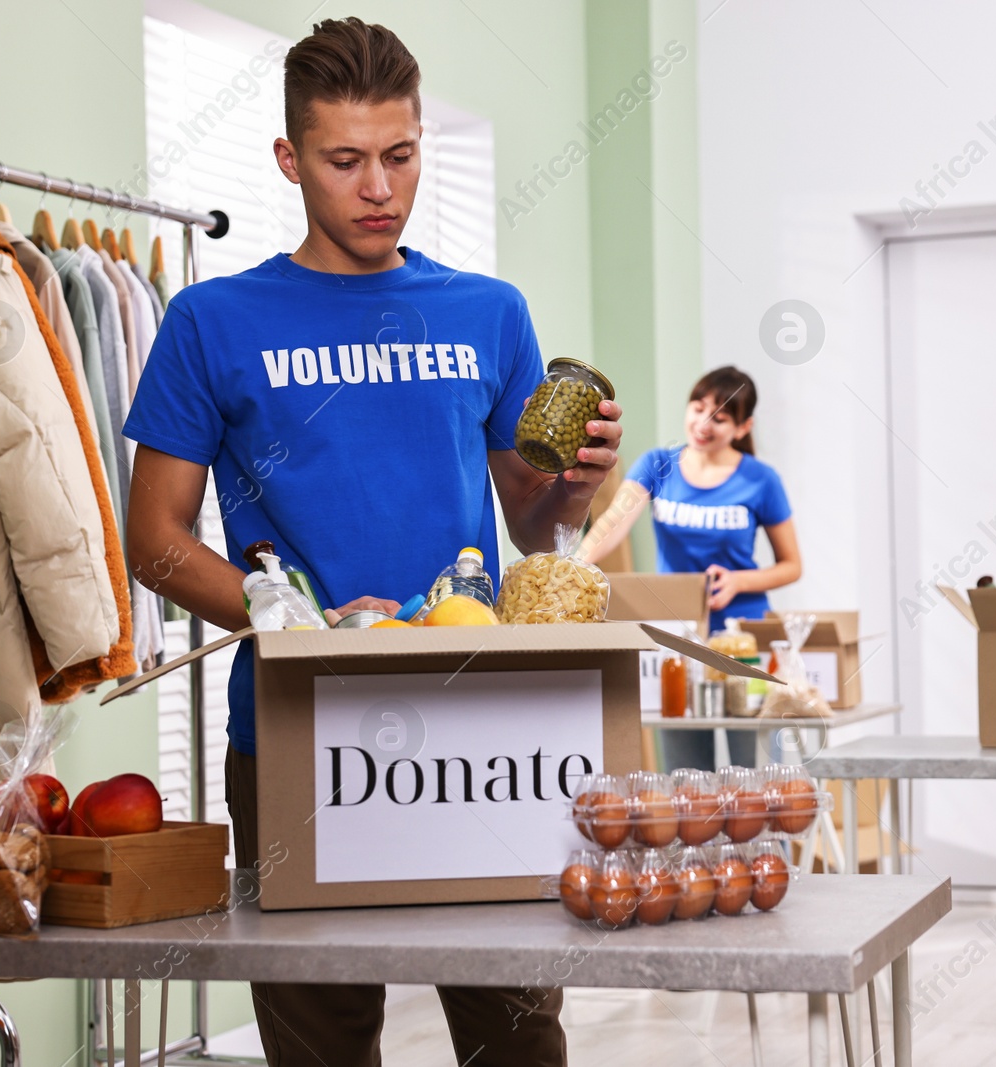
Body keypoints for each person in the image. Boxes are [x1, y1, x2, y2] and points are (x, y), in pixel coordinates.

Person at [122, 19, 622, 1067]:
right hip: (296, 731)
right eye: (344, 161)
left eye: (399, 155)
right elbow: (151, 537)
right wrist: (279, 614)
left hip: (485, 734)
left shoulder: (488, 312)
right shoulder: (212, 321)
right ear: (289, 160)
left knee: (520, 1045)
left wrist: (579, 483)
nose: (378, 188)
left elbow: (534, 524)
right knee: (322, 1048)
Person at [582, 366, 801, 769]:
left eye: (719, 417)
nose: (703, 423)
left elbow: (791, 566)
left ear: (742, 427)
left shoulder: (761, 480)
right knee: (685, 778)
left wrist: (740, 581)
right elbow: (613, 522)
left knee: (755, 777)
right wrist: (573, 564)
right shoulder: (657, 464)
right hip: (677, 641)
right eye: (698, 408)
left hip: (743, 645)